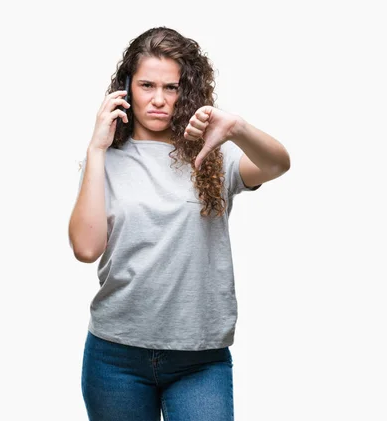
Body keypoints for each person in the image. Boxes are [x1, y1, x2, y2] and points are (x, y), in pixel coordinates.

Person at [68, 26, 290, 421]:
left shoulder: (212, 156)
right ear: (126, 89)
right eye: (146, 85)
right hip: (115, 356)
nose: (157, 99)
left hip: (199, 359)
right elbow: (86, 249)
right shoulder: (103, 162)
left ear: (184, 92)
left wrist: (236, 127)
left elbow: (277, 164)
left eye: (170, 88)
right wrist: (96, 148)